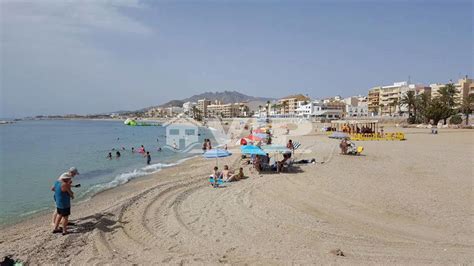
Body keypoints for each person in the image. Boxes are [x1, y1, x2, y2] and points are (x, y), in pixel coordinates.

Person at [52, 167, 78, 235]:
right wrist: (72, 195)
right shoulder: (65, 185)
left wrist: (59, 192)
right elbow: (71, 194)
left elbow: (53, 189)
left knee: (59, 215)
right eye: (69, 179)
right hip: (64, 203)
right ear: (66, 179)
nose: (70, 179)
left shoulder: (57, 182)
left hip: (58, 202)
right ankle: (64, 231)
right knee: (65, 217)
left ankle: (55, 228)